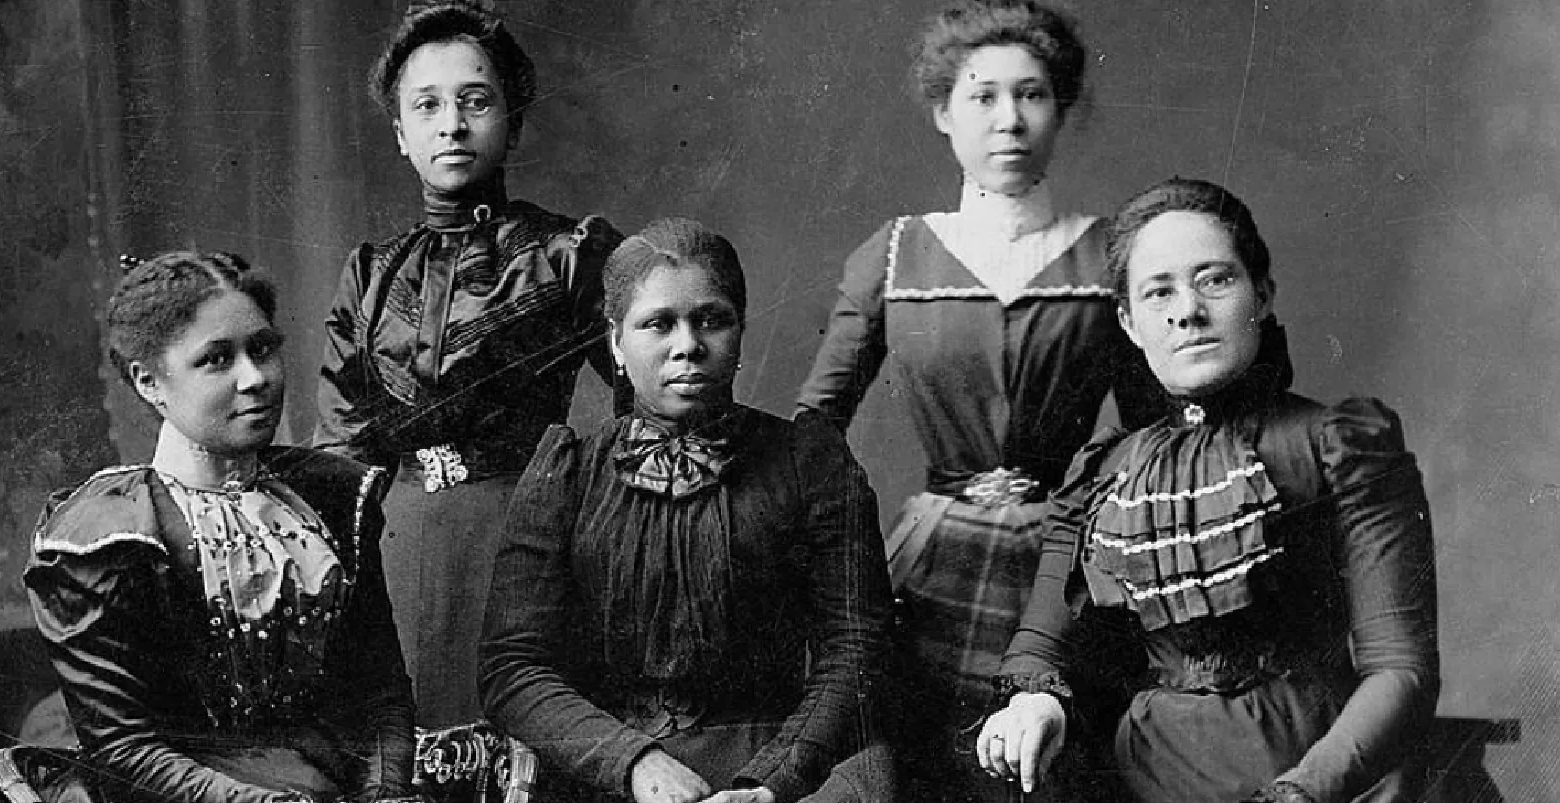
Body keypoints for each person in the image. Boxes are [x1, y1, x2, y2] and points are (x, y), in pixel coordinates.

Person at [976, 178, 1441, 803]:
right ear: (1130, 323)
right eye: (1158, 291)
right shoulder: (1103, 473)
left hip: (1320, 773)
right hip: (1144, 776)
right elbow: (1044, 645)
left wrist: (1301, 793)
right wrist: (1036, 704)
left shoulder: (1338, 445)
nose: (1187, 311)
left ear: (1262, 295)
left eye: (1215, 280)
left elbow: (1401, 670)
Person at [796, 1, 1151, 797]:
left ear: (1061, 107)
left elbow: (1152, 437)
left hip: (1064, 563)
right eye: (982, 96)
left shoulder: (1111, 254)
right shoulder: (897, 253)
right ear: (943, 113)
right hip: (930, 563)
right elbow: (813, 428)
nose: (1009, 120)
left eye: (1032, 95)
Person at [479, 219, 893, 803]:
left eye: (711, 320)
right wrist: (634, 763)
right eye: (658, 324)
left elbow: (857, 648)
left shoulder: (808, 461)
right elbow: (513, 666)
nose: (687, 345)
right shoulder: (567, 473)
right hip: (605, 777)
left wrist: (769, 784)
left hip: (773, 770)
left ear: (740, 332)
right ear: (616, 343)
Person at [315, 0, 624, 728]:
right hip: (395, 549)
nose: (451, 124)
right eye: (426, 105)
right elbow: (339, 449)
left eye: (475, 101)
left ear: (512, 122)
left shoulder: (566, 254)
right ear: (401, 133)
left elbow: (643, 413)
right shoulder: (370, 274)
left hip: (529, 543)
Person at [23, 252, 416, 803]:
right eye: (216, 359)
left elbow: (380, 697)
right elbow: (125, 748)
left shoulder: (330, 498)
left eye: (263, 349)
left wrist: (385, 796)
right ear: (148, 381)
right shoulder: (106, 536)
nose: (255, 379)